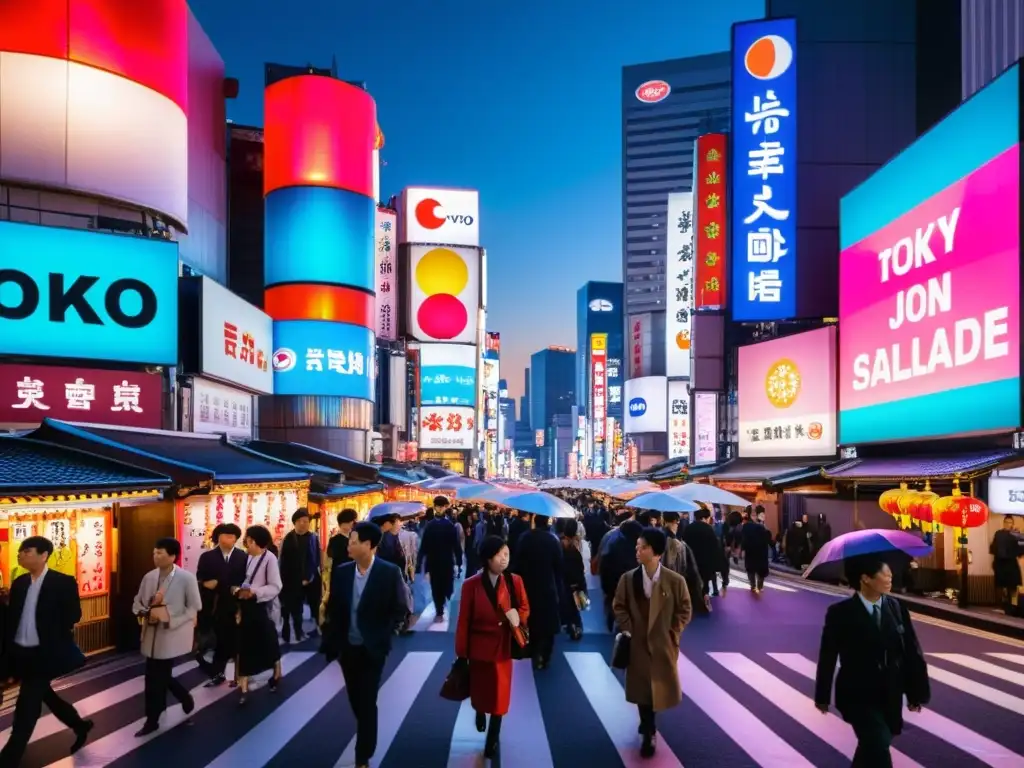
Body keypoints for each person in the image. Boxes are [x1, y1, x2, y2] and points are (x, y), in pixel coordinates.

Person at [814, 556, 931, 767]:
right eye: (885, 574)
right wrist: (822, 695)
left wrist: (916, 693)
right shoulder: (840, 613)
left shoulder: (896, 609)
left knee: (871, 746)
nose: (890, 578)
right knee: (878, 741)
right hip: (857, 693)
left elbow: (911, 652)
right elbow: (828, 655)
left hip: (890, 692)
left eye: (890, 574)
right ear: (865, 579)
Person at [0, 537, 92, 767]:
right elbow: (13, 620)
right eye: (20, 551)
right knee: (44, 694)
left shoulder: (63, 583)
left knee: (26, 706)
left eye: (26, 551)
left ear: (44, 555)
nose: (21, 554)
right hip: (22, 654)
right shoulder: (20, 584)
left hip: (45, 655)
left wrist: (51, 627)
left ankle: (8, 758)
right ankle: (79, 724)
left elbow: (74, 615)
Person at [322, 521, 407, 768]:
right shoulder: (343, 571)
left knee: (367, 699)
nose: (349, 544)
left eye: (353, 541)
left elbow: (399, 606)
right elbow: (335, 605)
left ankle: (363, 753)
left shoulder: (388, 572)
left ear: (368, 545)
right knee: (355, 698)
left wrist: (388, 631)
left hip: (373, 648)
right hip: (348, 647)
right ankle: (366, 731)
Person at [612, 527, 692, 759]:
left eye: (643, 547)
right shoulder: (628, 579)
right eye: (637, 546)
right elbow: (619, 606)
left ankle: (648, 724)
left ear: (657, 553)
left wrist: (672, 632)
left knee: (656, 687)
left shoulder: (674, 581)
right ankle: (648, 729)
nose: (638, 551)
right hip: (637, 643)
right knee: (642, 690)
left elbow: (685, 609)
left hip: (662, 643)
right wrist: (628, 628)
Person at [454, 535, 530, 759]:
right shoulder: (471, 585)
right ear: (488, 558)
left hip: (504, 644)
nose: (504, 559)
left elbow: (524, 606)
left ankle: (492, 739)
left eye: (507, 554)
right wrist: (462, 653)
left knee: (500, 694)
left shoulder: (514, 581)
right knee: (480, 689)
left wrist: (519, 616)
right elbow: (463, 621)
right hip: (479, 646)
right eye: (499, 554)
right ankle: (479, 710)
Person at [132, 538, 202, 736]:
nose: (156, 556)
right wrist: (142, 611)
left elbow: (195, 607)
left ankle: (152, 719)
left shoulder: (186, 578)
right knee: (157, 675)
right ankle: (182, 698)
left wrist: (173, 620)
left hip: (171, 633)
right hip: (151, 632)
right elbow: (137, 602)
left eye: (160, 553)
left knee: (154, 676)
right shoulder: (149, 577)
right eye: (154, 552)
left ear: (173, 556)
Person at [232, 525, 283, 704]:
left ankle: (277, 669)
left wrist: (254, 592)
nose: (246, 542)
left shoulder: (269, 558)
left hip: (260, 606)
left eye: (248, 539)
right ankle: (244, 685)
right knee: (244, 644)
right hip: (245, 606)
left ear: (253, 540)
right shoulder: (246, 557)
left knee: (267, 639)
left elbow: (276, 586)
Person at [195, 523, 247, 686]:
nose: (230, 539)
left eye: (233, 536)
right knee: (216, 642)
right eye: (226, 535)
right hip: (214, 606)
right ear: (218, 537)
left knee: (234, 642)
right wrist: (205, 584)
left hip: (235, 605)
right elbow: (200, 579)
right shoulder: (207, 557)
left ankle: (234, 675)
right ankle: (218, 673)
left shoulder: (242, 556)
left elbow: (245, 580)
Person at [512, 514, 563, 669]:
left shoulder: (524, 538)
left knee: (530, 619)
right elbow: (558, 566)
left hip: (527, 585)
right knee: (547, 623)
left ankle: (531, 650)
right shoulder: (553, 540)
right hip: (547, 585)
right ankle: (545, 655)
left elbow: (517, 563)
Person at [416, 497, 462, 623]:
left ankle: (444, 602)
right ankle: (439, 611)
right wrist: (419, 564)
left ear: (446, 507)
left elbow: (456, 545)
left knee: (448, 586)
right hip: (434, 561)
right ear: (435, 507)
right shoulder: (430, 526)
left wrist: (459, 562)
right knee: (436, 587)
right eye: (438, 506)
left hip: (447, 561)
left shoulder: (450, 526)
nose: (440, 508)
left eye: (442, 506)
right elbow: (424, 546)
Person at [278, 508, 322, 643]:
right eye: (300, 521)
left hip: (312, 578)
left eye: (306, 521)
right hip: (292, 580)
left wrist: (309, 577)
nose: (303, 524)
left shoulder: (313, 537)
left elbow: (315, 559)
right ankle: (295, 633)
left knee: (315, 605)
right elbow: (283, 563)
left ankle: (315, 629)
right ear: (295, 523)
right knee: (294, 608)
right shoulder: (288, 539)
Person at [991, 515, 1024, 615]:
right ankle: (1002, 605)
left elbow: (1021, 549)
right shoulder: (999, 534)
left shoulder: (1015, 534)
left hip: (1010, 562)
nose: (1008, 524)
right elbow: (994, 548)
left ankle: (1013, 606)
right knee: (1001, 586)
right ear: (1004, 523)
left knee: (1013, 586)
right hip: (1001, 562)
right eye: (1006, 522)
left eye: (1010, 522)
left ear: (1012, 524)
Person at [740, 511, 772, 594]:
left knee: (751, 569)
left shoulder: (746, 527)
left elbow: (743, 540)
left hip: (750, 551)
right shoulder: (762, 527)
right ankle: (760, 586)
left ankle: (753, 586)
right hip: (761, 551)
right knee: (760, 570)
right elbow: (768, 537)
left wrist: (742, 550)